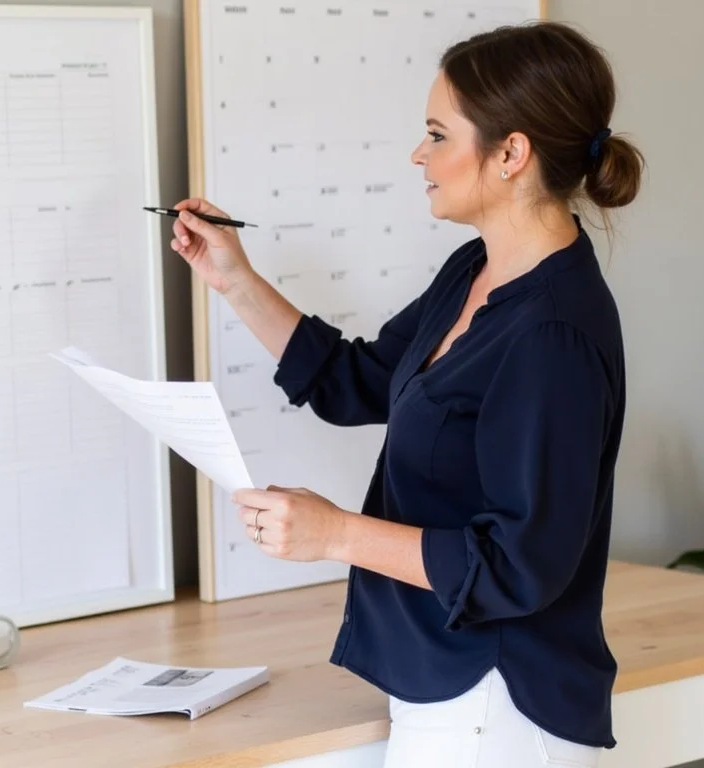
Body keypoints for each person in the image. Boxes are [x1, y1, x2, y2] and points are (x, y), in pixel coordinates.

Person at [170, 20, 643, 768]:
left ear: (511, 153)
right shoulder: (473, 272)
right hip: (446, 686)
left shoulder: (554, 334)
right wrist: (235, 278)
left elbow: (519, 565)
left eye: (437, 134)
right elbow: (356, 380)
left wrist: (335, 535)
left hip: (499, 708)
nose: (419, 155)